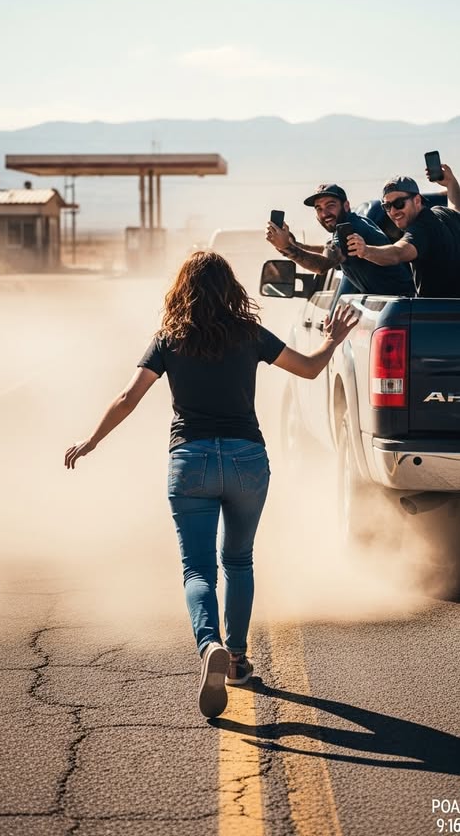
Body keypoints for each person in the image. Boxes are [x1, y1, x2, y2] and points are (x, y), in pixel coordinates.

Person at [64, 251, 358, 719]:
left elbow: (128, 397)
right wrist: (332, 339)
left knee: (198, 571)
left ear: (182, 290)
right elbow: (307, 368)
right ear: (230, 290)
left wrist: (92, 440)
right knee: (238, 560)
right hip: (246, 460)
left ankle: (209, 647)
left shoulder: (169, 338)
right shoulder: (249, 333)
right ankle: (237, 660)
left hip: (191, 462)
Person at [266, 183, 415, 296]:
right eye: (319, 208)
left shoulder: (350, 228)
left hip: (400, 305)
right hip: (399, 303)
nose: (325, 213)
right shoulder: (354, 222)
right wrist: (297, 245)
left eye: (330, 205)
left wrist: (286, 248)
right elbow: (330, 249)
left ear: (346, 206)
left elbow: (322, 265)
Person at [346, 164, 460, 298]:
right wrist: (451, 182)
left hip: (437, 309)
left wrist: (365, 251)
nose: (393, 211)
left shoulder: (421, 228)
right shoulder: (442, 214)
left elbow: (398, 253)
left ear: (417, 200)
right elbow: (456, 209)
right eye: (387, 206)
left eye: (399, 203)